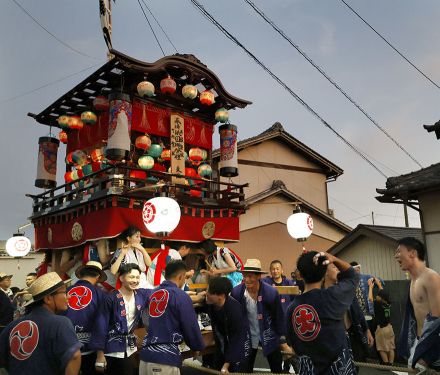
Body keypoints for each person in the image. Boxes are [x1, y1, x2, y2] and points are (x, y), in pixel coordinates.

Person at [286, 251, 358, 375]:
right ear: (324, 273)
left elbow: (291, 342)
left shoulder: (291, 309)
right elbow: (352, 276)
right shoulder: (332, 297)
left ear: (301, 275)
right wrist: (334, 259)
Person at [0, 272, 82, 375]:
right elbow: (74, 356)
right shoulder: (61, 323)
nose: (68, 296)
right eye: (64, 292)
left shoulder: (12, 326)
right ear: (48, 299)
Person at [139, 260, 205, 375]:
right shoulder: (180, 296)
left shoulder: (152, 293)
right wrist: (197, 346)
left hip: (145, 356)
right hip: (164, 359)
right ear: (181, 276)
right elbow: (190, 326)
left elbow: (146, 321)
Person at [231, 259, 290, 373]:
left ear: (258, 276)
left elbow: (278, 317)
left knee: (276, 368)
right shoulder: (236, 293)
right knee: (245, 369)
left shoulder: (270, 293)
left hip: (269, 334)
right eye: (244, 276)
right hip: (247, 336)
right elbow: (235, 318)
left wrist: (282, 340)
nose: (247, 280)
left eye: (250, 276)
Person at [93, 263, 150, 375]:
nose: (135, 280)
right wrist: (100, 355)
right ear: (121, 278)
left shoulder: (141, 294)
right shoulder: (111, 298)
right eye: (131, 277)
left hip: (129, 347)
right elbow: (100, 325)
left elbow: (162, 294)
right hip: (111, 349)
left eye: (137, 277)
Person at [395, 237, 440, 370]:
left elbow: (438, 321)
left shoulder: (431, 277)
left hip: (433, 346)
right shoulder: (413, 281)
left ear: (412, 253)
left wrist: (427, 356)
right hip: (419, 342)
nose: (395, 256)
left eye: (398, 251)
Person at [324, 262, 374, 373]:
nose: (337, 269)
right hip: (335, 338)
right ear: (325, 273)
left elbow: (358, 311)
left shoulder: (345, 289)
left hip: (352, 333)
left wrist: (367, 329)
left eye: (338, 268)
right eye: (334, 267)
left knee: (355, 366)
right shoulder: (322, 294)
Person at [64, 261, 107, 375]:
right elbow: (101, 323)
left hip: (66, 346)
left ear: (81, 274)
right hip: (89, 348)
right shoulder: (100, 293)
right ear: (98, 276)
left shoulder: (65, 292)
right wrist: (100, 353)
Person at [205, 277, 251, 373]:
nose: (206, 293)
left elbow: (237, 340)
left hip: (239, 347)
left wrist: (226, 365)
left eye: (209, 292)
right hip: (222, 346)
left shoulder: (235, 311)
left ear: (220, 296)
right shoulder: (211, 303)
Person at [371, 289, 395, 366]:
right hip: (389, 327)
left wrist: (371, 287)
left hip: (381, 329)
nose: (376, 296)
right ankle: (391, 364)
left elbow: (370, 299)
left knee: (381, 347)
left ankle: (385, 364)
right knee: (391, 347)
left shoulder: (377, 303)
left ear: (381, 297)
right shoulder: (388, 304)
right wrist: (380, 285)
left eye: (378, 295)